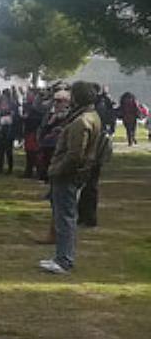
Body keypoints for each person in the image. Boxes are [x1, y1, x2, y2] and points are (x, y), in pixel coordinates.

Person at [41, 81, 104, 275]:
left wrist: (56, 170)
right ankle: (62, 256)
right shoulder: (92, 116)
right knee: (66, 217)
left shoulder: (81, 121)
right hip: (76, 173)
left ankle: (64, 260)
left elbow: (75, 154)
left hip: (68, 175)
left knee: (65, 218)